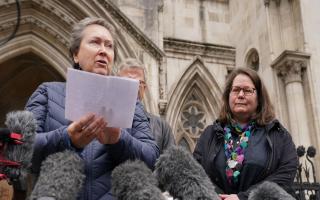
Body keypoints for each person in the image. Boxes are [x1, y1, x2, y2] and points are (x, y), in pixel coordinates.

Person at [25, 17, 159, 200]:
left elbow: (152, 159)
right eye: (95, 42)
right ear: (75, 54)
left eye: (109, 46)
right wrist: (67, 138)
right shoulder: (47, 93)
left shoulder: (131, 103)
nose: (103, 51)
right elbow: (21, 150)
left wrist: (119, 140)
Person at [193, 67, 298, 200]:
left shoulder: (277, 134)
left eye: (248, 90)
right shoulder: (210, 134)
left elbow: (285, 175)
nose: (241, 95)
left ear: (259, 98)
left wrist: (243, 198)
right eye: (236, 90)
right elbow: (195, 172)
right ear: (228, 96)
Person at [118, 58, 175, 154]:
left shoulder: (161, 127)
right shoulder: (105, 121)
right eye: (127, 82)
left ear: (144, 88)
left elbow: (172, 164)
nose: (132, 87)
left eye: (138, 82)